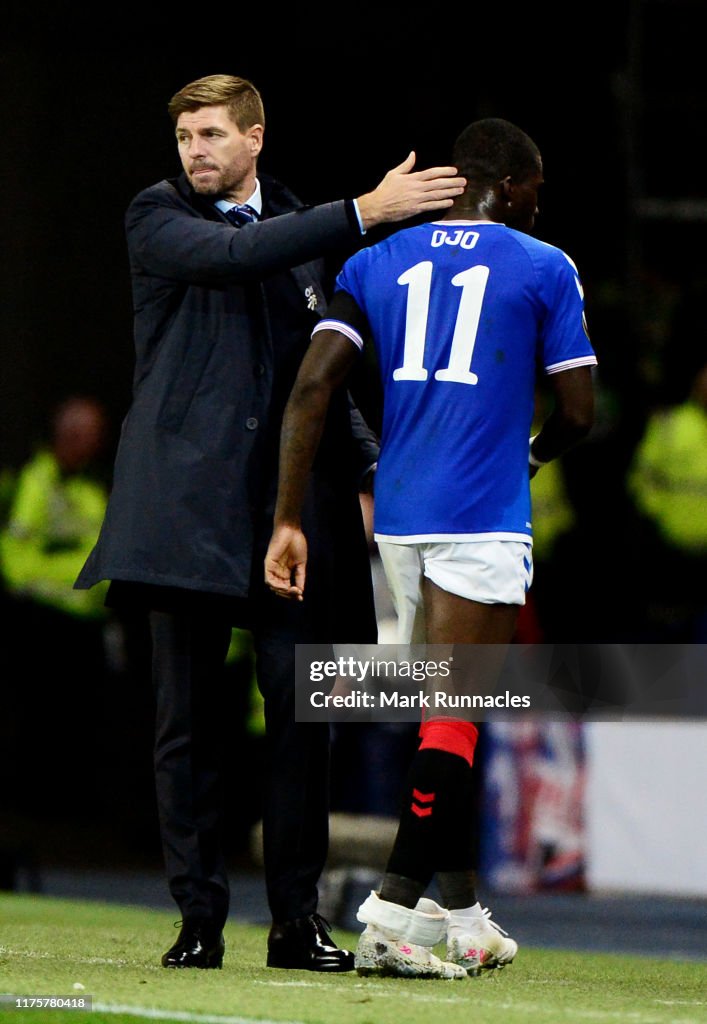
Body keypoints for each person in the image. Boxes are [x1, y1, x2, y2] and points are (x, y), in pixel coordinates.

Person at [74, 73, 466, 972]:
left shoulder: (299, 235)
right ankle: (199, 918)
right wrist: (365, 210)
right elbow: (229, 259)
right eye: (185, 138)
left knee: (303, 721)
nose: (194, 152)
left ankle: (295, 922)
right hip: (183, 515)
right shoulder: (156, 215)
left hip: (292, 516)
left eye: (212, 135)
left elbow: (319, 373)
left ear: (255, 137)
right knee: (187, 726)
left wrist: (373, 469)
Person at [265, 118, 596, 978]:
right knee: (455, 715)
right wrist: (526, 458)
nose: (537, 202)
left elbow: (311, 389)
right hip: (481, 513)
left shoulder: (372, 261)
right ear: (514, 185)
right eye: (538, 189)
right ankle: (390, 911)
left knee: (435, 720)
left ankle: (461, 914)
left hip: (401, 520)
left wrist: (285, 516)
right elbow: (578, 414)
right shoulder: (544, 264)